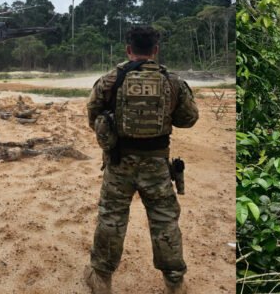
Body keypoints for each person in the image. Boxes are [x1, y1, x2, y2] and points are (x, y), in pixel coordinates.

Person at [84, 26, 199, 294]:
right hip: (157, 164)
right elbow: (189, 119)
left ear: (128, 49)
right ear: (155, 50)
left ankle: (101, 278)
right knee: (164, 220)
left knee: (111, 218)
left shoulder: (111, 79)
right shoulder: (172, 81)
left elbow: (93, 115)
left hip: (119, 162)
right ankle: (174, 282)